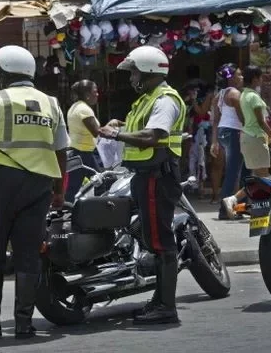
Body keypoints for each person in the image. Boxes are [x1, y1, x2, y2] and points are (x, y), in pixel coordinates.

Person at [0, 45, 69, 339]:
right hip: (39, 186)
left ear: (8, 72)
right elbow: (61, 150)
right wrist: (58, 191)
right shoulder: (51, 103)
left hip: (1, 183)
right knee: (28, 255)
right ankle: (24, 324)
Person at [98, 46, 186, 325]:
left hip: (156, 176)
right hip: (144, 176)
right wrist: (121, 124)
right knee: (151, 239)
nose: (132, 77)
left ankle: (166, 306)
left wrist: (117, 134)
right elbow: (145, 128)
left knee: (161, 241)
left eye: (134, 71)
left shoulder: (165, 98)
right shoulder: (148, 99)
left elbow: (152, 135)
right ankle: (158, 300)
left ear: (149, 71)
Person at [222, 65, 271, 218]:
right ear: (256, 78)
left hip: (247, 138)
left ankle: (251, 205)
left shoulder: (244, 95)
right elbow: (261, 122)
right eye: (261, 77)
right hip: (255, 138)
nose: (262, 79)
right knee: (265, 178)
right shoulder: (254, 97)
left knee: (259, 177)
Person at [210, 63, 245, 220]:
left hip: (224, 132)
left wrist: (214, 141)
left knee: (232, 172)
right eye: (238, 74)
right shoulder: (235, 94)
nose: (241, 77)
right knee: (232, 173)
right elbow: (242, 118)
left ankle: (236, 207)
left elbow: (215, 121)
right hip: (233, 132)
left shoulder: (220, 94)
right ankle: (225, 210)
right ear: (231, 78)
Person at [65, 79, 100, 202]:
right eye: (95, 91)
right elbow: (96, 132)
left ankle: (63, 210)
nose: (97, 94)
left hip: (83, 152)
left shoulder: (76, 107)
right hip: (82, 154)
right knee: (100, 182)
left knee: (99, 181)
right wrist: (114, 126)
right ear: (87, 95)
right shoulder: (84, 109)